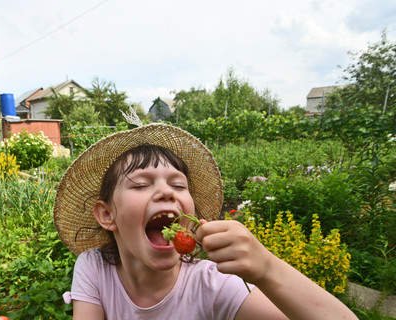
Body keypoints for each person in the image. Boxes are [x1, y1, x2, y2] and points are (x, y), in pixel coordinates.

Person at [52, 123, 357, 319]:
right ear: (107, 215)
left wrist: (265, 268)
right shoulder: (94, 267)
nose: (166, 192)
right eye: (141, 184)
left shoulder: (213, 284)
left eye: (179, 185)